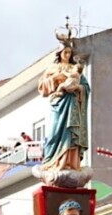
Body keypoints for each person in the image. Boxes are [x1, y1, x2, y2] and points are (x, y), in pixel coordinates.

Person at [37, 42, 90, 173]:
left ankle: (71, 163)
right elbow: (42, 87)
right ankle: (52, 161)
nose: (67, 55)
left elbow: (86, 87)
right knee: (55, 132)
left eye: (69, 52)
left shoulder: (75, 69)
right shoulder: (53, 68)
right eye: (65, 52)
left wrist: (78, 87)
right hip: (58, 103)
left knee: (71, 132)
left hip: (72, 103)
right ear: (59, 53)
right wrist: (55, 78)